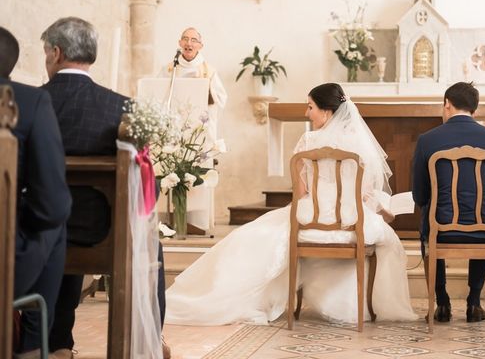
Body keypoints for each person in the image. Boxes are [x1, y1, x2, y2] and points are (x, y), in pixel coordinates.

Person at [166, 83, 417, 325]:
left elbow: (301, 192)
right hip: (351, 219)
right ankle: (360, 306)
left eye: (310, 107)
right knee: (386, 239)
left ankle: (217, 294)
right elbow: (364, 193)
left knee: (253, 237)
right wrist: (384, 209)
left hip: (310, 217)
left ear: (327, 111)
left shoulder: (307, 143)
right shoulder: (361, 146)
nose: (306, 113)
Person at [39, 17, 169, 359]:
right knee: (150, 244)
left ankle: (58, 343)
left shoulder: (31, 101)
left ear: (56, 52)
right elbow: (144, 185)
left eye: (45, 53)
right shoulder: (121, 107)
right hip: (103, 231)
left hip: (40, 227)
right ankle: (151, 337)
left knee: (63, 212)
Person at [412, 82, 485, 323]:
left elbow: (420, 196)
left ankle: (442, 302)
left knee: (430, 215)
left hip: (441, 231)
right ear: (474, 110)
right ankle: (474, 302)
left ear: (447, 104)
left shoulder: (427, 140)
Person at [0, 26, 72, 358]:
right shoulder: (28, 102)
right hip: (5, 264)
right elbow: (52, 206)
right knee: (56, 223)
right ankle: (31, 347)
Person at [160, 27, 227, 140]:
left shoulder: (209, 71)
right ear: (180, 43)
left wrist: (208, 88)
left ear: (200, 46)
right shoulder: (169, 69)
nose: (189, 43)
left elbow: (221, 98)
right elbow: (158, 94)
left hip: (199, 125)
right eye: (185, 39)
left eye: (194, 40)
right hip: (175, 123)